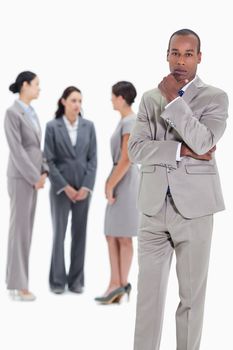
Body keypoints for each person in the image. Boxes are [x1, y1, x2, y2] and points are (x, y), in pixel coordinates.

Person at [128, 29, 228, 350]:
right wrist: (181, 151)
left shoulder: (216, 97)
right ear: (166, 54)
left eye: (188, 54)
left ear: (199, 57)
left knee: (190, 300)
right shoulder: (148, 98)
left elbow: (203, 140)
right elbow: (136, 150)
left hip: (195, 211)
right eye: (175, 52)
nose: (180, 61)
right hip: (152, 209)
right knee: (148, 301)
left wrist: (173, 98)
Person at [44, 86, 97, 294]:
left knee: (80, 234)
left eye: (80, 101)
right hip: (60, 189)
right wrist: (64, 186)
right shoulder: (52, 127)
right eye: (74, 100)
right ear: (63, 101)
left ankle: (76, 281)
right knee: (59, 233)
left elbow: (93, 159)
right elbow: (49, 160)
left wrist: (86, 187)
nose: (77, 105)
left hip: (84, 188)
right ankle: (57, 281)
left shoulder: (89, 126)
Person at [4, 71, 48, 301]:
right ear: (25, 85)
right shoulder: (12, 113)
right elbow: (17, 150)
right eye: (37, 84)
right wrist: (34, 176)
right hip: (22, 178)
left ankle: (16, 282)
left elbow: (36, 148)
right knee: (19, 230)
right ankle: (18, 286)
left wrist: (44, 172)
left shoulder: (31, 113)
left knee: (26, 230)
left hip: (33, 177)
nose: (39, 89)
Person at [95, 81, 139, 304]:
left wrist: (110, 184)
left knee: (123, 235)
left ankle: (119, 284)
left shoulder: (130, 121)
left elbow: (127, 158)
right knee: (113, 233)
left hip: (126, 181)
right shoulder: (125, 120)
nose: (111, 99)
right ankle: (118, 284)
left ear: (121, 98)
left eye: (113, 96)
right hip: (122, 178)